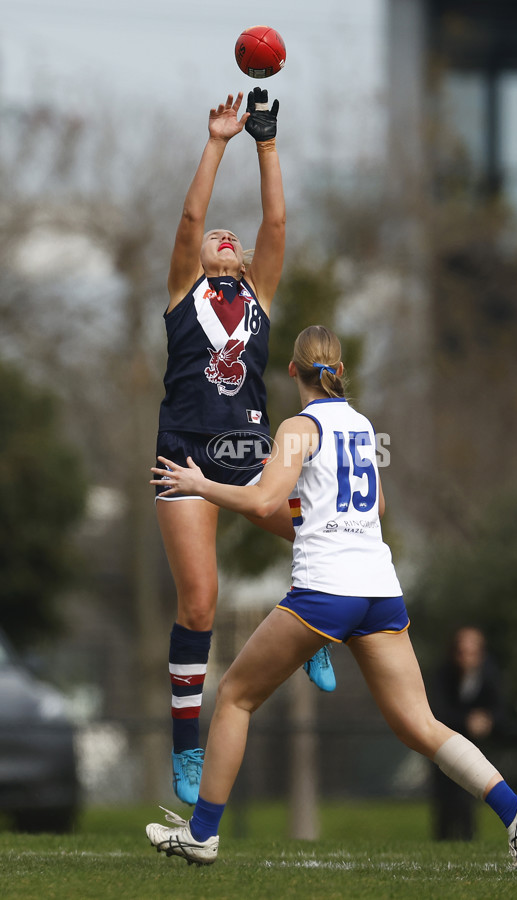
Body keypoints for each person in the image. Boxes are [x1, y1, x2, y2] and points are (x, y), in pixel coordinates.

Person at [147, 324, 517, 869]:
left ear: (292, 371)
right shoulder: (362, 426)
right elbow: (377, 508)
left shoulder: (297, 426)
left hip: (325, 589)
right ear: (338, 370)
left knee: (236, 696)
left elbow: (264, 499)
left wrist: (201, 486)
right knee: (421, 724)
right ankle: (514, 808)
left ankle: (202, 834)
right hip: (380, 591)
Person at [155, 90, 334, 806]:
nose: (223, 234)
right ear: (198, 257)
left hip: (249, 448)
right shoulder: (180, 293)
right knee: (200, 603)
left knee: (312, 524)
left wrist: (266, 142)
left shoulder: (259, 292)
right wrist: (218, 141)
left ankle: (317, 631)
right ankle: (186, 748)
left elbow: (278, 219)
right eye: (212, 238)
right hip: (186, 451)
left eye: (235, 237)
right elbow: (193, 215)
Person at [429, 626, 505, 840]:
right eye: (461, 651)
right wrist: (467, 720)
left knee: (467, 800)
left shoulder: (490, 676)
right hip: (444, 746)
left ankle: (468, 839)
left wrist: (486, 721)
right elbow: (438, 711)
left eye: (472, 652)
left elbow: (500, 710)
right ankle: (442, 843)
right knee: (444, 803)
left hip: (476, 747)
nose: (466, 657)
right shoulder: (443, 674)